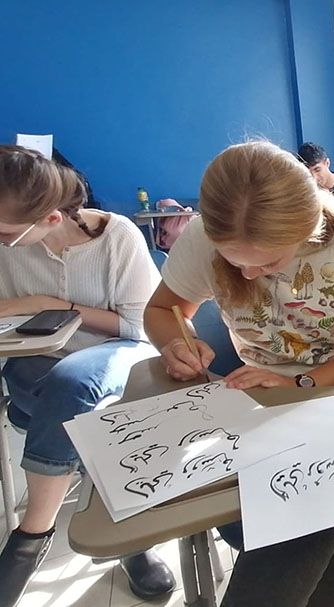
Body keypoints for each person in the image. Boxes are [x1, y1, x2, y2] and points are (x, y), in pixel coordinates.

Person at [143, 140, 334, 607]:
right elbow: (162, 310)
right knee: (333, 515)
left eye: (269, 262)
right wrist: (174, 342)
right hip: (255, 403)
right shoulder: (202, 237)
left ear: (309, 228)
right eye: (236, 262)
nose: (250, 271)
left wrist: (300, 384)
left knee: (307, 504)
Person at [0, 146, 176, 606]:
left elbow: (140, 326)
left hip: (113, 354)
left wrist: (48, 303)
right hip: (32, 364)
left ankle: (29, 537)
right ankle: (131, 540)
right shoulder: (6, 244)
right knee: (60, 395)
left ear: (52, 219)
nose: (1, 240)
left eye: (6, 233)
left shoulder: (115, 237)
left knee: (73, 384)